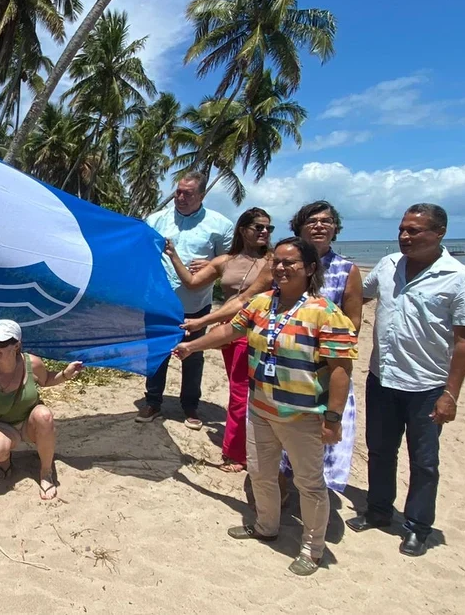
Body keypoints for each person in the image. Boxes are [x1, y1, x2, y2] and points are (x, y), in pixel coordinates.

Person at [171, 237, 358, 576]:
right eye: (278, 262)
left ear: (311, 268)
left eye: (291, 263)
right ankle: (266, 526)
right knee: (260, 472)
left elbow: (341, 372)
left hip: (302, 416)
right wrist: (192, 346)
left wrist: (333, 419)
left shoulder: (326, 313)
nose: (282, 268)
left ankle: (312, 549)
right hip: (261, 409)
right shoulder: (261, 303)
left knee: (309, 484)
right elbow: (230, 329)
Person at [349, 204, 465, 558]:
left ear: (439, 233)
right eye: (402, 229)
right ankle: (378, 511)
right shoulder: (389, 265)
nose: (405, 236)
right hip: (383, 377)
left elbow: (464, 341)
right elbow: (357, 299)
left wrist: (450, 394)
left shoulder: (459, 278)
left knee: (424, 462)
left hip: (427, 387)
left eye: (414, 231)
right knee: (380, 450)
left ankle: (417, 527)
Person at [165, 207, 274, 472]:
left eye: (268, 228)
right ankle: (239, 451)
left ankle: (252, 452)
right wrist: (174, 255)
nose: (264, 232)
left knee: (262, 394)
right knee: (239, 391)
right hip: (232, 333)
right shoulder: (225, 261)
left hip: (265, 332)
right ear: (243, 229)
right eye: (258, 227)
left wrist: (203, 322)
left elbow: (245, 300)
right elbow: (192, 282)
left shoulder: (274, 260)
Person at [138, 172, 234, 427]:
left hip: (195, 305)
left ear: (201, 195)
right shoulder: (155, 220)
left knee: (193, 356)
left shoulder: (221, 225)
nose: (180, 197)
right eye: (178, 192)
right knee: (156, 354)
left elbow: (231, 265)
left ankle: (191, 407)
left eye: (187, 193)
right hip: (157, 302)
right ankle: (153, 402)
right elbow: (142, 255)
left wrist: (212, 263)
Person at [0, 319, 82, 501]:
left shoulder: (32, 363)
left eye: (1, 342)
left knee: (44, 415)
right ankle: (5, 458)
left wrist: (65, 375)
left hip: (28, 422)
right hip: (2, 426)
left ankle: (46, 473)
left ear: (17, 345)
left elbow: (46, 380)